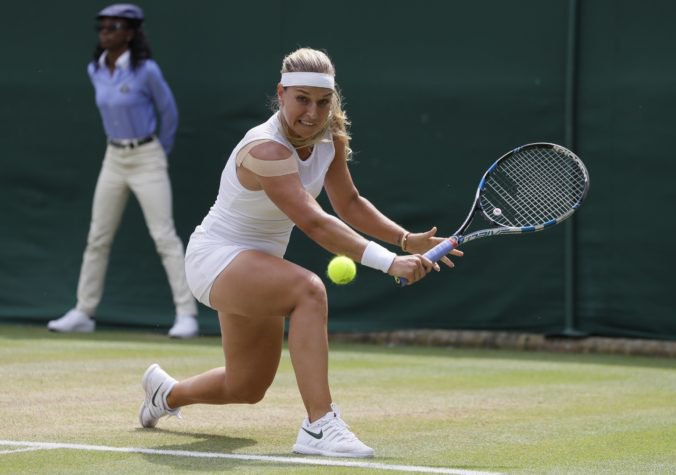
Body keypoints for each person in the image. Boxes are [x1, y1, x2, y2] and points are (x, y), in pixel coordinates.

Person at [138, 47, 463, 457]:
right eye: (302, 100)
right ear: (281, 94)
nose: (313, 112)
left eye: (323, 102)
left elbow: (348, 203)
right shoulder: (265, 149)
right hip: (216, 260)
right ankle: (318, 426)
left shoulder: (331, 139)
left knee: (247, 386)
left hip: (259, 269)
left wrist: (404, 239)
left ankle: (164, 395)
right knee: (308, 291)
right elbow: (314, 221)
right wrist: (389, 262)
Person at [47, 4, 199, 338]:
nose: (105, 32)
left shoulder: (148, 71)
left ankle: (186, 314)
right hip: (113, 157)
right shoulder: (95, 69)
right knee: (97, 237)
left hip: (147, 156)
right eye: (101, 27)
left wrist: (160, 151)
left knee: (164, 236)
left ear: (130, 33)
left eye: (113, 26)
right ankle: (84, 312)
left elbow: (168, 112)